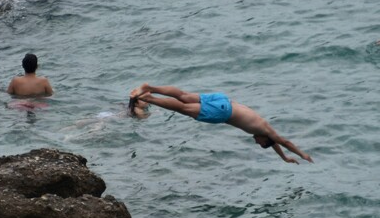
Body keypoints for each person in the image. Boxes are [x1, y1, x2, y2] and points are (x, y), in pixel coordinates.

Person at [131, 83, 313, 164]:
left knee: (183, 96)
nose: (256, 142)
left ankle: (150, 87)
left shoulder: (263, 126)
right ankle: (150, 98)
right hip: (223, 112)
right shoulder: (265, 131)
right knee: (183, 109)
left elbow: (276, 144)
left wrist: (284, 158)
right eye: (260, 144)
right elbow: (283, 142)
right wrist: (302, 154)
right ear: (265, 139)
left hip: (224, 99)